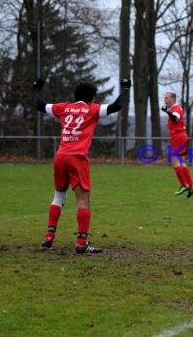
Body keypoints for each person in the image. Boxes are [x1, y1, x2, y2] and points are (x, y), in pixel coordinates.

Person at [34, 78, 131, 254]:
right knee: (83, 200)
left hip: (61, 156)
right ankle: (81, 243)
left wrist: (37, 89)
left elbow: (40, 105)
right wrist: (125, 89)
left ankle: (49, 236)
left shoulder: (63, 107)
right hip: (77, 158)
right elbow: (117, 106)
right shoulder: (91, 109)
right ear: (92, 98)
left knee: (58, 196)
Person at [161, 92, 193, 198]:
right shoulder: (177, 108)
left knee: (175, 162)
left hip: (178, 136)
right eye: (164, 98)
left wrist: (167, 111)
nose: (165, 100)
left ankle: (183, 185)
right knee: (181, 161)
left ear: (172, 99)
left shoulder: (175, 108)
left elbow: (175, 118)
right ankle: (191, 184)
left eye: (167, 98)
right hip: (181, 136)